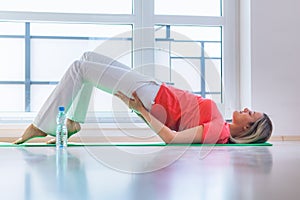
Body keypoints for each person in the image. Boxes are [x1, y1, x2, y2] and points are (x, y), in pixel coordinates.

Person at [13, 52, 273, 145]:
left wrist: (140, 110)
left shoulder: (218, 131)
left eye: (252, 114)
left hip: (150, 97)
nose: (248, 109)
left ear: (249, 128)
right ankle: (73, 123)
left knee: (79, 67)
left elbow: (171, 139)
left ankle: (41, 125)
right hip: (154, 88)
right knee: (88, 58)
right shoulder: (222, 125)